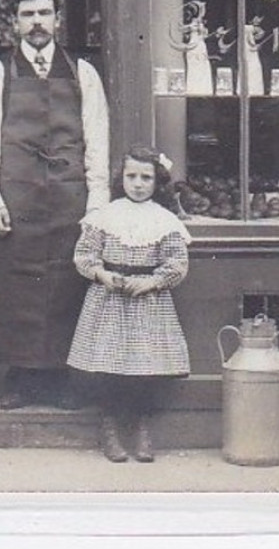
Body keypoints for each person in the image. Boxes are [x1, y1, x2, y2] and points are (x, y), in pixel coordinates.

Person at [0, 0, 111, 410]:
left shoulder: (83, 72)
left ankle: (62, 377)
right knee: (20, 285)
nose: (36, 23)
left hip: (70, 196)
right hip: (19, 197)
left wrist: (96, 206)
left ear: (57, 19)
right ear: (15, 22)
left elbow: (97, 140)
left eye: (44, 14)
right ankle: (21, 377)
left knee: (68, 283)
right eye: (27, 15)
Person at [67, 145, 193, 463]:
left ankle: (142, 429)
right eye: (131, 176)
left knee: (144, 368)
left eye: (146, 178)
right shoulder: (104, 217)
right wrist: (102, 275)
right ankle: (110, 429)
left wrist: (152, 281)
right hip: (109, 298)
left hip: (148, 300)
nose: (138, 184)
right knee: (109, 368)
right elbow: (84, 256)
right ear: (120, 178)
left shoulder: (165, 221)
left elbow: (176, 264)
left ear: (157, 182)